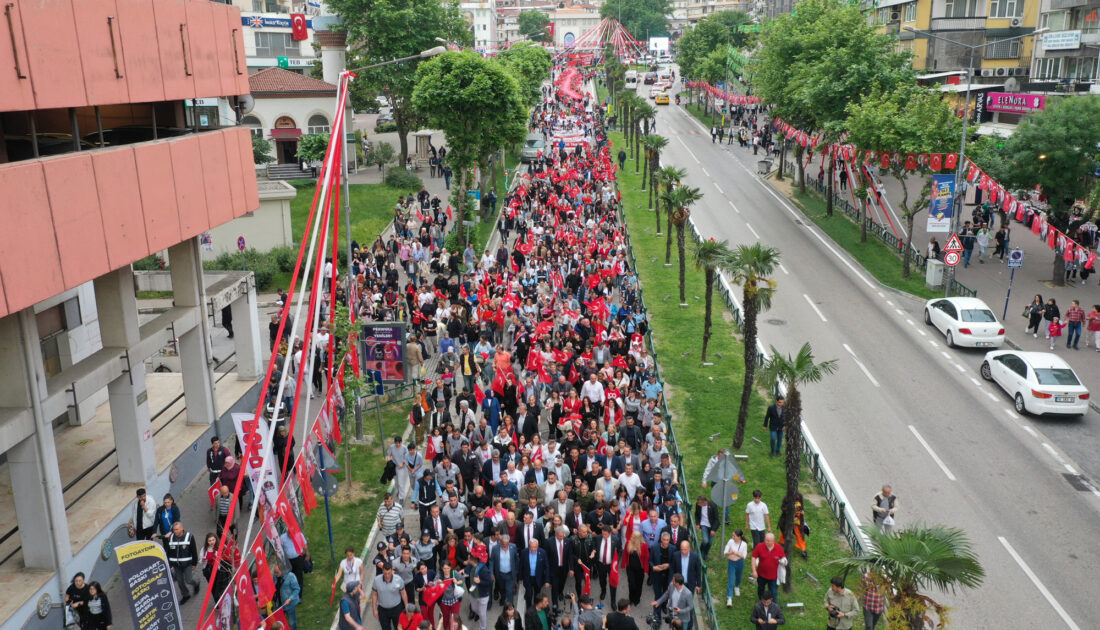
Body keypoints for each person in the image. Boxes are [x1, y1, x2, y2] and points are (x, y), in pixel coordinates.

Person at [164, 522, 200, 603]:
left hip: (187, 564)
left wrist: (194, 563)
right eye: (174, 530)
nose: (175, 531)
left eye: (177, 529)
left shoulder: (189, 537)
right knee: (180, 581)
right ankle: (185, 595)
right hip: (176, 565)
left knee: (189, 579)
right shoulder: (171, 537)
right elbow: (169, 552)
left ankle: (196, 583)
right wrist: (169, 564)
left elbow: (194, 551)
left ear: (182, 529)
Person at [750, 532, 786, 603]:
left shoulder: (778, 548)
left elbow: (783, 558)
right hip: (761, 575)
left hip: (774, 577)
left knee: (773, 593)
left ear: (773, 541)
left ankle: (774, 608)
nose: (767, 542)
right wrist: (754, 571)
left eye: (769, 541)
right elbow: (754, 557)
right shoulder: (760, 546)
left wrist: (784, 562)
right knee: (760, 590)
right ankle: (761, 604)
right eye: (766, 540)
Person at [372, 562, 409, 630]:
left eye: (389, 573)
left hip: (396, 609)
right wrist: (374, 609)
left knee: (399, 627)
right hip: (382, 610)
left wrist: (407, 607)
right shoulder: (376, 580)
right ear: (382, 570)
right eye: (385, 573)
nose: (387, 575)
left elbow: (403, 593)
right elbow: (374, 595)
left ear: (392, 570)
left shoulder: (398, 579)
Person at [519, 539, 550, 609]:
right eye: (531, 547)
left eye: (535, 547)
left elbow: (547, 567)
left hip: (538, 578)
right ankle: (529, 609)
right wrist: (520, 578)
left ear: (538, 546)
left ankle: (536, 609)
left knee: (537, 595)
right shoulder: (524, 552)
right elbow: (521, 566)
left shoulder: (543, 552)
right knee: (529, 595)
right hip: (528, 578)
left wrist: (547, 580)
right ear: (529, 546)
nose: (533, 549)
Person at [622, 532, 649, 606]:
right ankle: (631, 599)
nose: (631, 538)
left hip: (640, 569)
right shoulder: (628, 543)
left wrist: (646, 570)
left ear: (638, 539)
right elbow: (625, 554)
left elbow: (646, 559)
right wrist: (623, 565)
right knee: (631, 584)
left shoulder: (644, 545)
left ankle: (637, 599)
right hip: (630, 568)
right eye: (632, 536)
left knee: (639, 585)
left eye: (633, 537)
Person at [723, 529, 747, 605]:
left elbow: (744, 556)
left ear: (739, 537)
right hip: (731, 563)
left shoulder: (744, 544)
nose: (733, 537)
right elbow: (725, 552)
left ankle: (737, 586)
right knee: (731, 580)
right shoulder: (730, 541)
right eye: (732, 535)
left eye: (734, 536)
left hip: (740, 562)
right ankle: (729, 598)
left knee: (739, 577)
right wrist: (730, 552)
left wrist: (737, 554)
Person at [274, 562, 302, 630]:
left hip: (289, 604)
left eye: (277, 572)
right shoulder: (275, 577)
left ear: (282, 570)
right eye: (275, 572)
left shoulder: (291, 576)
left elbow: (297, 589)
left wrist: (290, 599)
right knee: (280, 622)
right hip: (279, 604)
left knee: (292, 622)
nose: (276, 574)